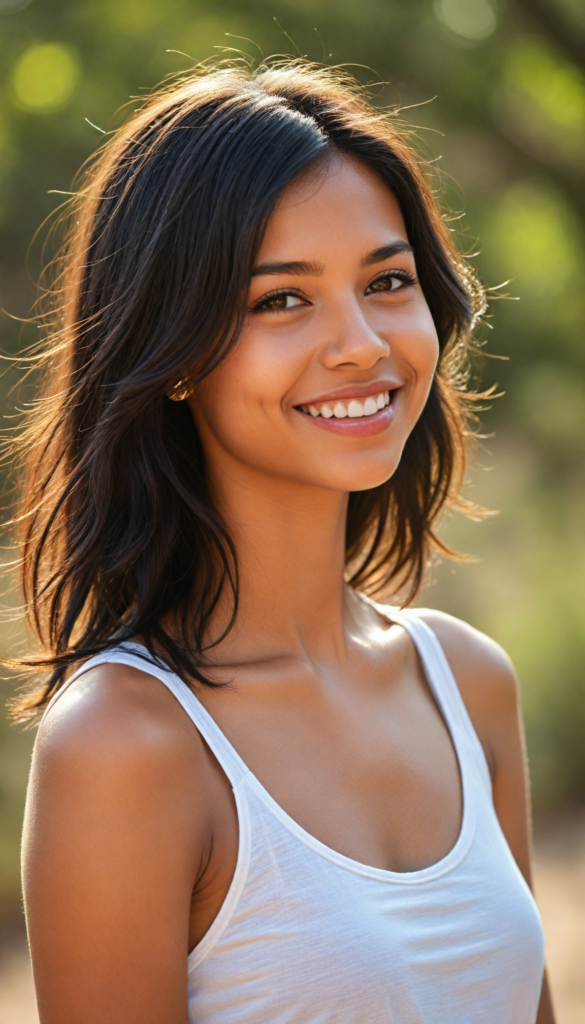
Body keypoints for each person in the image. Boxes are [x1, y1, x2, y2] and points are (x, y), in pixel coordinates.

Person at [14, 60, 554, 1023]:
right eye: (281, 299)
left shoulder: (466, 681)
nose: (360, 343)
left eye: (387, 281)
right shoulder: (126, 745)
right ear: (171, 351)